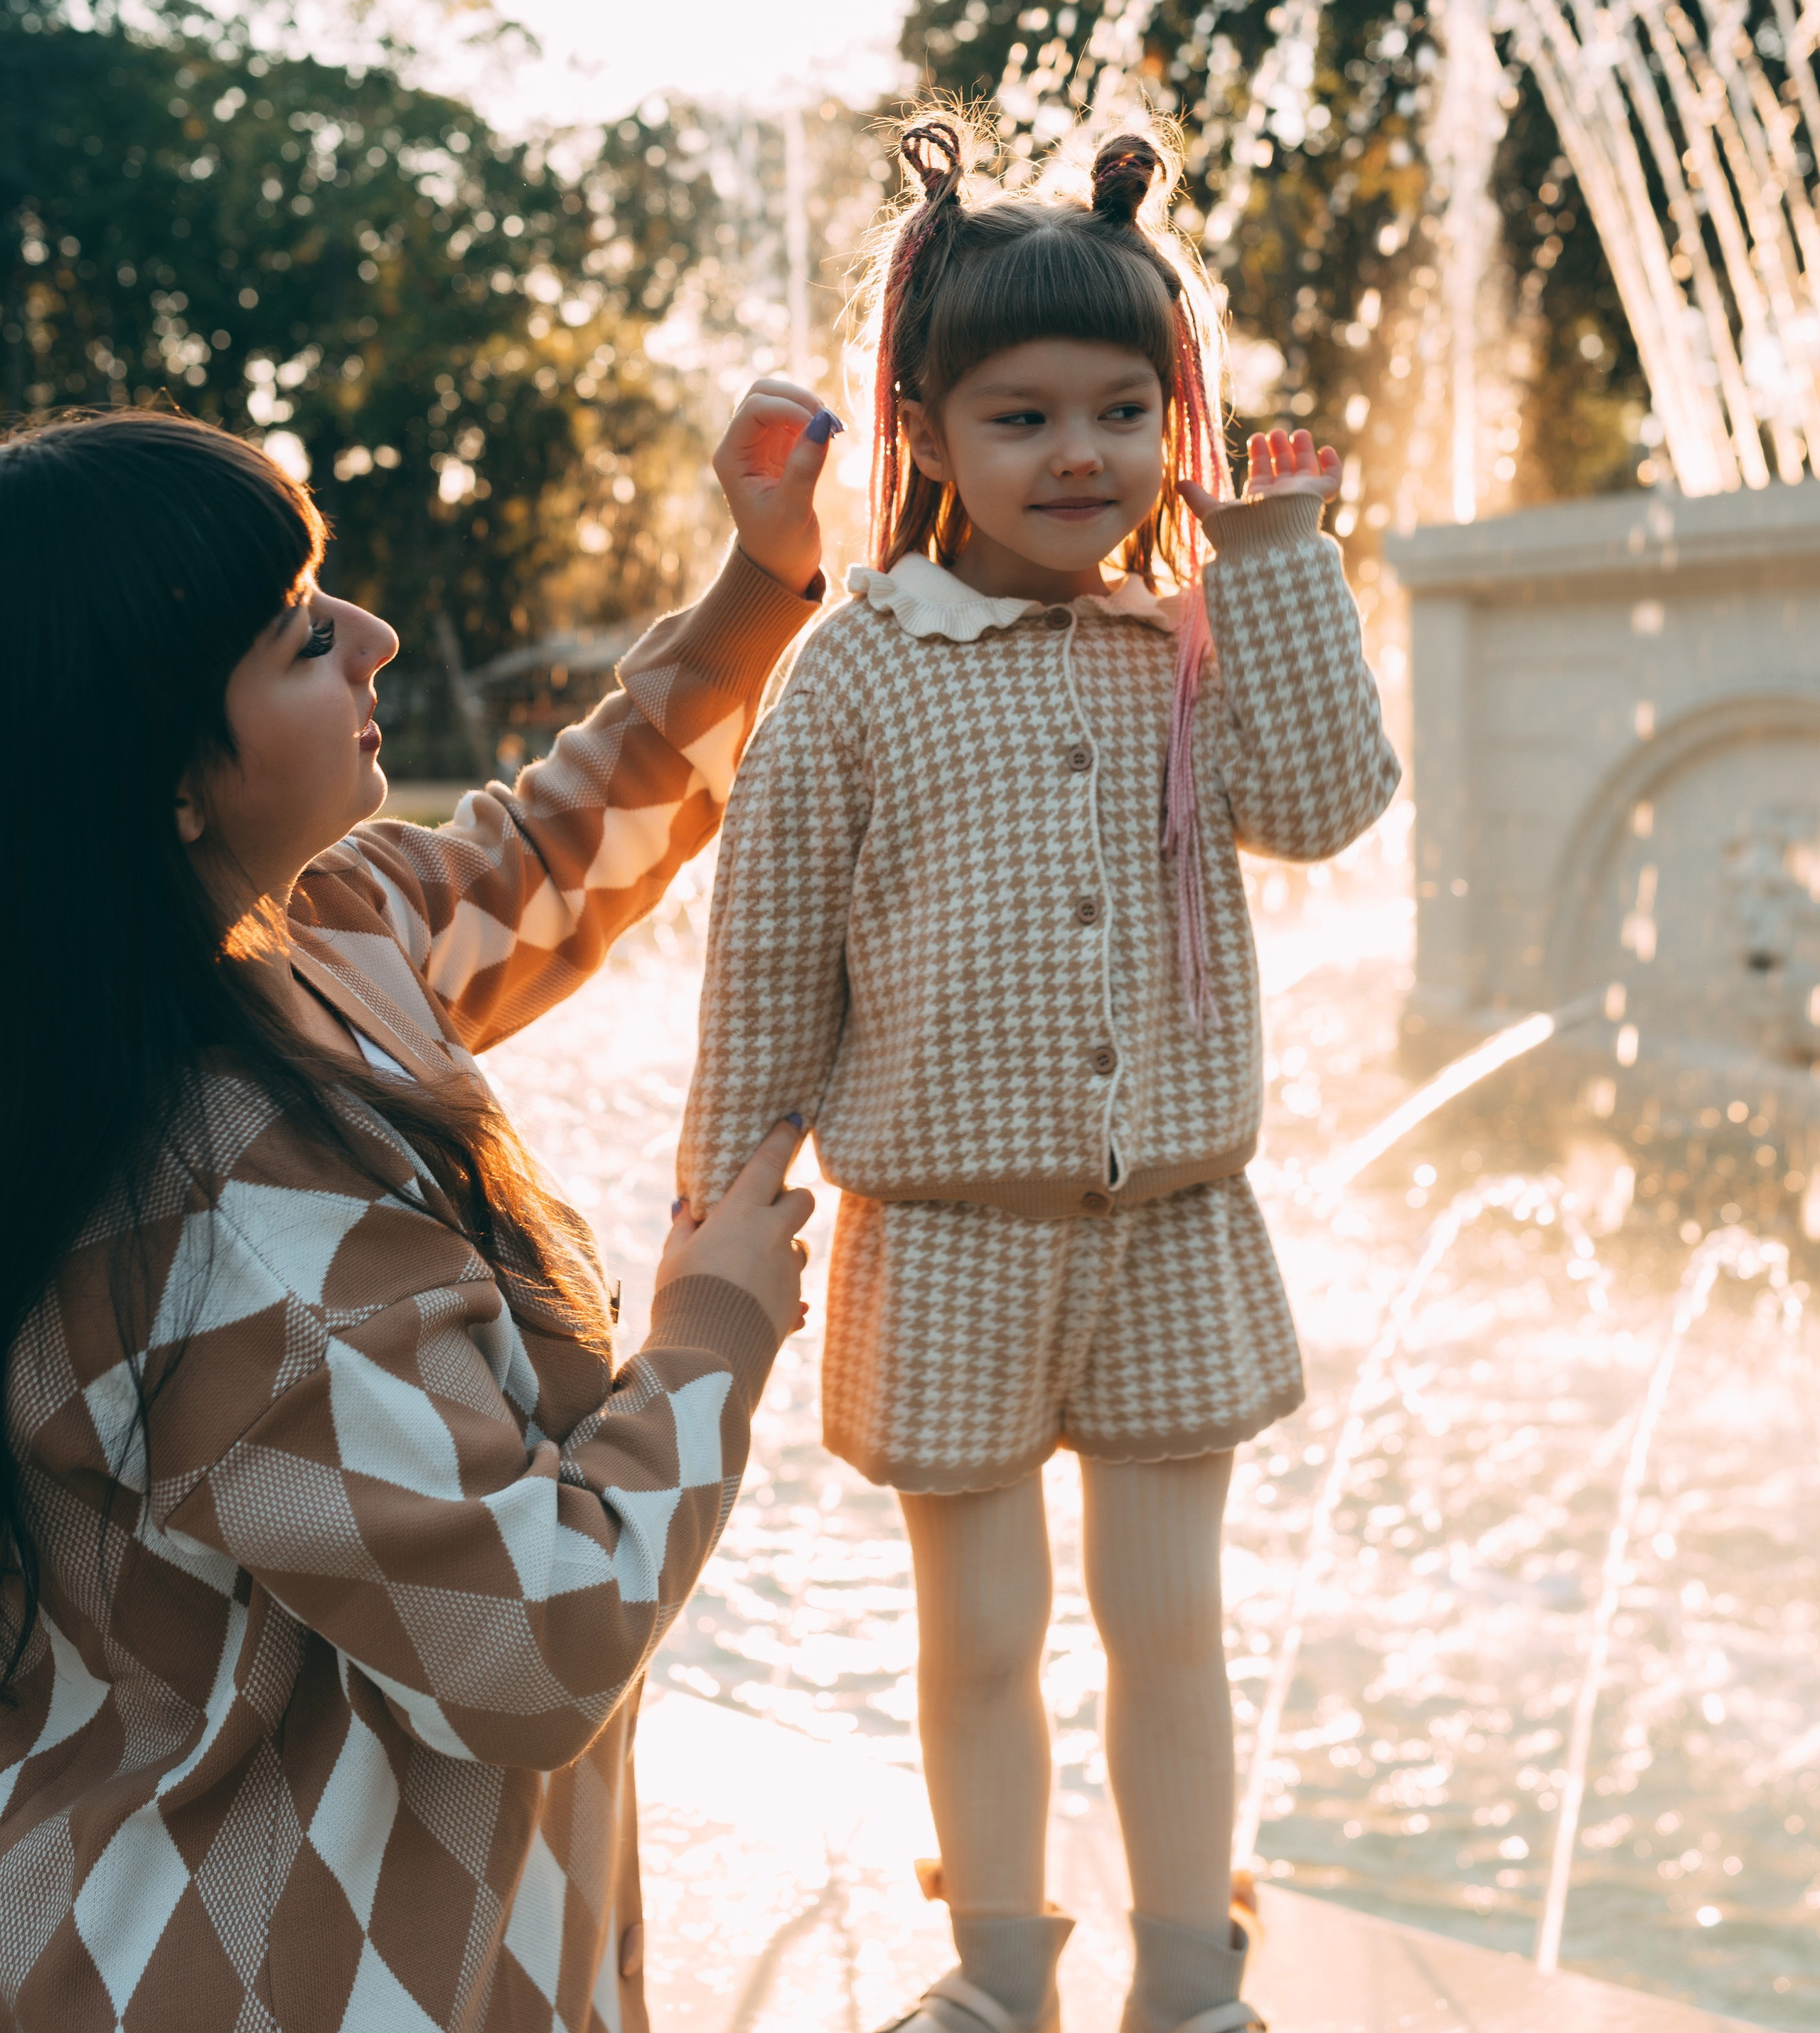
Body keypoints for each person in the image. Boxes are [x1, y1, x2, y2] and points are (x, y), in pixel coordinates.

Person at [678, 116, 1401, 2033]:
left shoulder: (1182, 640)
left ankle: (1190, 1982)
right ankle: (1001, 1979)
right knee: (983, 1633)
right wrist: (715, 1229)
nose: (1078, 455)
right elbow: (763, 976)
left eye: (1119, 410)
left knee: (1174, 1629)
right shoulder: (860, 668)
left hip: (1173, 1226)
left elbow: (1330, 805)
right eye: (1019, 417)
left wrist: (1279, 556)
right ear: (918, 427)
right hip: (950, 1237)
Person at [0, 383, 837, 2033]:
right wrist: (711, 1336)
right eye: (303, 637)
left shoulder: (297, 941)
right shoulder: (232, 1222)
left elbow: (546, 852)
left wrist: (758, 589)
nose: (372, 634)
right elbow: (539, 1637)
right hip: (261, 1979)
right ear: (166, 774)